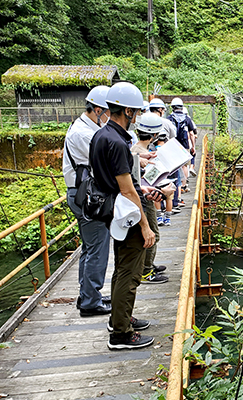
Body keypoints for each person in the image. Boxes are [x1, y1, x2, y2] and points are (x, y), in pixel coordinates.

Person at [89, 82, 160, 350]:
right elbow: (128, 190)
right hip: (127, 214)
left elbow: (119, 182)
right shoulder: (117, 142)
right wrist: (145, 226)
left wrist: (144, 190)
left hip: (115, 213)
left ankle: (120, 318)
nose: (136, 118)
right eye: (136, 112)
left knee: (121, 270)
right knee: (130, 275)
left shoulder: (101, 135)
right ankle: (120, 333)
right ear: (128, 111)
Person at [63, 85, 112, 317]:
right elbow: (104, 163)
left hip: (80, 193)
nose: (111, 116)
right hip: (87, 197)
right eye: (110, 111)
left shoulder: (83, 127)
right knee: (98, 249)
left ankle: (88, 295)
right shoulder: (84, 134)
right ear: (99, 110)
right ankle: (91, 302)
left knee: (89, 248)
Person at [130, 113, 171, 284]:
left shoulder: (136, 150)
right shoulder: (139, 152)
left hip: (143, 195)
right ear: (154, 135)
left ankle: (148, 265)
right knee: (152, 234)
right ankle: (146, 271)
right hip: (144, 197)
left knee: (151, 233)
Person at [168, 98, 197, 196]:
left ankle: (176, 186)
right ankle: (184, 185)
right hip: (185, 145)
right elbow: (192, 133)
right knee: (185, 165)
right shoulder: (187, 119)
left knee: (174, 165)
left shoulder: (169, 118)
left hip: (173, 144)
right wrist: (193, 146)